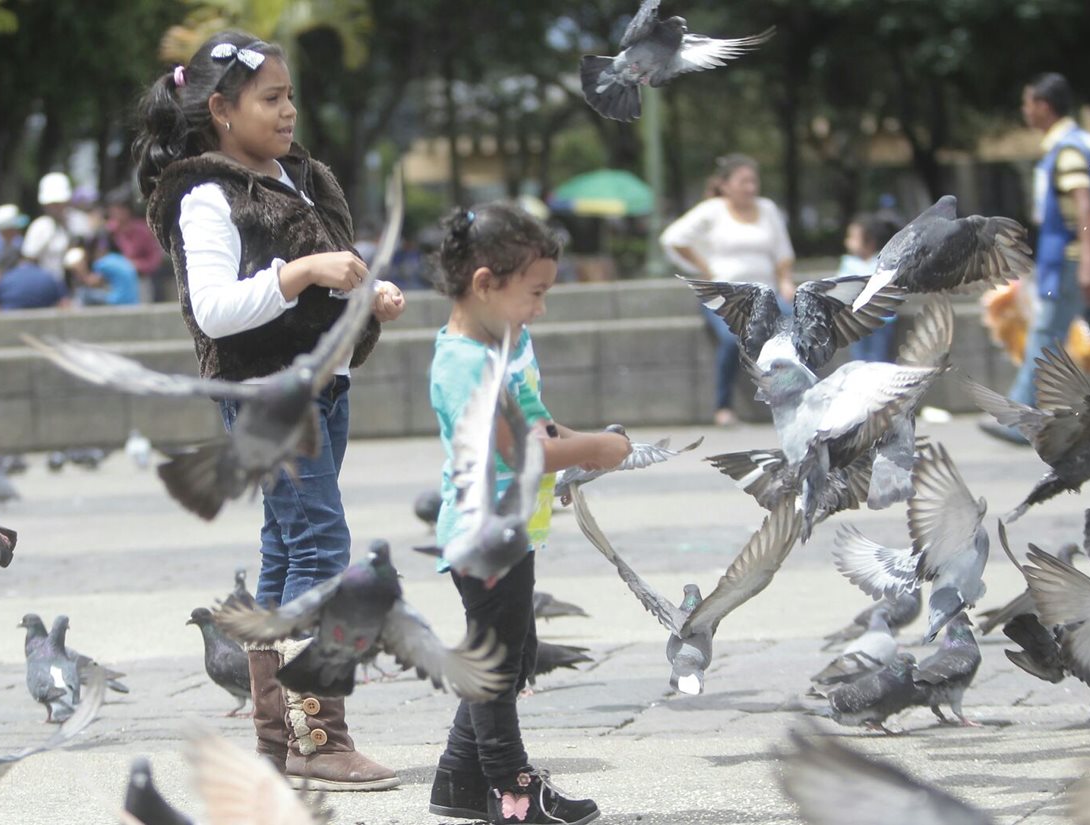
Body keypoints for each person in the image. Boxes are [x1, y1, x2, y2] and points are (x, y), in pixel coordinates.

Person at [133, 30, 406, 791]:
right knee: (322, 549)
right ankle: (318, 736)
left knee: (288, 550)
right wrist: (304, 270)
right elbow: (216, 312)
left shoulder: (296, 177)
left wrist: (365, 293)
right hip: (267, 397)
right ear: (221, 110)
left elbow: (321, 280)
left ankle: (277, 736)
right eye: (271, 99)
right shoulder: (205, 194)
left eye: (291, 97)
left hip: (322, 389)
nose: (289, 112)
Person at [427, 202, 629, 825]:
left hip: (512, 531)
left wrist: (582, 441)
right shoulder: (466, 364)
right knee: (496, 666)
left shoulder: (505, 343)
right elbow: (519, 450)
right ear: (485, 284)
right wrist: (598, 447)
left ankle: (458, 780)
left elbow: (538, 424)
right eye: (534, 293)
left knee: (511, 656)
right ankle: (512, 792)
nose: (540, 308)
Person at [982, 72, 1090, 444]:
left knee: (1045, 336)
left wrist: (1088, 264)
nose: (1025, 110)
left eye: (1028, 103)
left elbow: (1085, 206)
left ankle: (1020, 419)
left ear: (1043, 107)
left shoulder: (1067, 151)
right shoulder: (1067, 146)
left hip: (1072, 263)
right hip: (1079, 261)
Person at [660, 153, 796, 426]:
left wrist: (785, 281)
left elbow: (783, 251)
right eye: (743, 181)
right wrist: (703, 267)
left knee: (794, 330)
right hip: (724, 293)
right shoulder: (712, 210)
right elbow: (673, 238)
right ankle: (723, 406)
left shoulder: (767, 209)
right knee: (732, 338)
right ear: (725, 185)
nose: (750, 188)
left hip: (764, 293)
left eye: (753, 181)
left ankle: (792, 397)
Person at [840, 213, 899, 362]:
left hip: (881, 321)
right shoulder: (848, 263)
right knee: (858, 360)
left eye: (853, 238)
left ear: (870, 241)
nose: (847, 241)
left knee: (879, 358)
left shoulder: (883, 263)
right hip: (857, 321)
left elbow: (893, 291)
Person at [103, 186, 167, 302]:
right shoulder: (107, 232)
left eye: (121, 208)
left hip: (140, 280)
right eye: (114, 208)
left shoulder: (142, 230)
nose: (117, 212)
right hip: (113, 282)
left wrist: (136, 265)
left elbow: (155, 258)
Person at [22, 172, 85, 283]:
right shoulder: (40, 226)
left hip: (75, 284)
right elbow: (29, 259)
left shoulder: (78, 221)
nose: (56, 207)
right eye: (52, 204)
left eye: (59, 203)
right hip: (47, 284)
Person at [64, 244, 141, 306]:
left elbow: (92, 283)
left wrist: (81, 272)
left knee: (83, 293)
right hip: (133, 300)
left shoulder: (101, 264)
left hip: (119, 301)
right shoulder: (117, 258)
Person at [0, 256, 69, 311]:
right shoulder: (50, 276)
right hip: (43, 324)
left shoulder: (6, 278)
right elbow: (65, 304)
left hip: (10, 322)